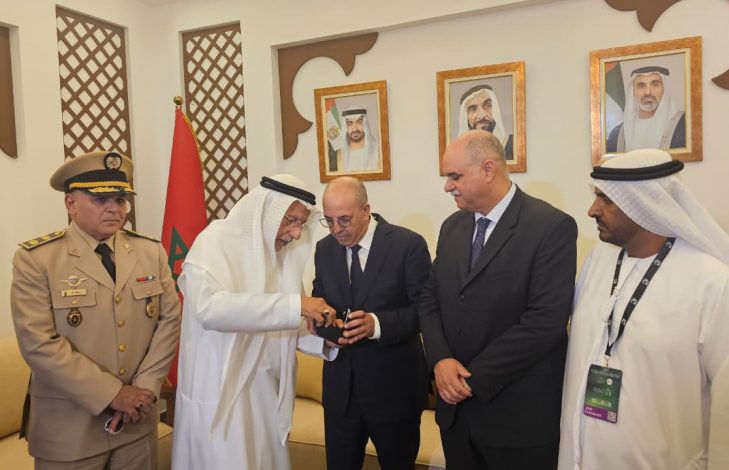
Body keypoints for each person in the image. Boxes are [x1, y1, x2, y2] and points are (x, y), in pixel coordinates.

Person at [558, 148, 729, 470]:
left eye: (607, 200)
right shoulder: (598, 262)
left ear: (644, 203)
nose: (592, 210)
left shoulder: (715, 285)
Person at [10, 150, 181, 468]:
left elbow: (169, 320)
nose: (115, 208)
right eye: (100, 200)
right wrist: (114, 394)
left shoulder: (150, 251)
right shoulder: (38, 259)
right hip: (70, 430)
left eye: (121, 199)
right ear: (70, 203)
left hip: (136, 422)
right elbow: (39, 344)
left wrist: (144, 390)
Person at [419, 130, 577, 469]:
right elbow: (430, 299)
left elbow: (544, 323)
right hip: (456, 417)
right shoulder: (452, 227)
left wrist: (471, 379)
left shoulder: (550, 227)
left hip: (517, 420)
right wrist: (440, 360)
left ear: (488, 169)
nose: (447, 186)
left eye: (455, 176)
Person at [171, 175, 339, 470]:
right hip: (223, 392)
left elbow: (287, 322)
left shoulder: (282, 256)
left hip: (266, 392)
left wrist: (325, 339)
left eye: (301, 224)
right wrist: (298, 305)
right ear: (266, 211)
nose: (296, 234)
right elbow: (209, 308)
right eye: (291, 220)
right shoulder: (215, 240)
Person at [312, 176, 431, 469]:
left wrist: (376, 325)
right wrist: (325, 327)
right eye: (329, 221)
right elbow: (320, 302)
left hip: (395, 392)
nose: (336, 229)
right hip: (341, 394)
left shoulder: (408, 245)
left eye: (344, 220)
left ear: (366, 210)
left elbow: (426, 311)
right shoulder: (324, 249)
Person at [606, 66, 686, 153]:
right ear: (633, 92)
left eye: (655, 85)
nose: (648, 92)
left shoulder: (683, 125)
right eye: (641, 86)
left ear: (664, 89)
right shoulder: (618, 135)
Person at [457, 84, 514, 160]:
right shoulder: (460, 154)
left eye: (488, 105)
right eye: (473, 109)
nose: (482, 115)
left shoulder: (513, 144)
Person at [329, 107, 380, 172]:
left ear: (365, 125)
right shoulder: (338, 156)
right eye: (350, 124)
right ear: (345, 127)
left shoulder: (378, 152)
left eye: (359, 122)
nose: (355, 129)